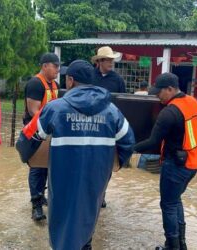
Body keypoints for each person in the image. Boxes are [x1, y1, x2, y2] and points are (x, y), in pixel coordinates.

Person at [34, 60, 134, 249]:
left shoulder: (55, 108)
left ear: (70, 80)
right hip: (96, 180)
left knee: (61, 225)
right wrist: (113, 165)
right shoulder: (111, 111)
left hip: (62, 180)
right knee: (88, 219)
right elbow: (128, 143)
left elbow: (29, 141)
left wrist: (31, 161)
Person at [133, 73, 197, 250]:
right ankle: (181, 244)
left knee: (167, 204)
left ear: (170, 89)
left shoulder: (169, 112)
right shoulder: (194, 102)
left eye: (159, 92)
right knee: (175, 200)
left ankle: (172, 246)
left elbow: (153, 142)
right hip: (193, 164)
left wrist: (129, 148)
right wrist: (194, 147)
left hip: (175, 165)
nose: (157, 96)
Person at [23, 52, 60, 221]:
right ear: (45, 66)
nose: (58, 70)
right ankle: (36, 205)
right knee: (37, 167)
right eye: (55, 66)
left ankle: (41, 195)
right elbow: (33, 111)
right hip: (36, 132)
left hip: (50, 131)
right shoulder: (35, 84)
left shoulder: (55, 84)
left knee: (47, 166)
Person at [92, 46, 126, 207]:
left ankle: (102, 193)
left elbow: (123, 103)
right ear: (99, 61)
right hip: (90, 125)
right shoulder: (90, 77)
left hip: (109, 126)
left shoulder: (117, 80)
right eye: (108, 60)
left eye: (113, 60)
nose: (112, 62)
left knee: (106, 162)